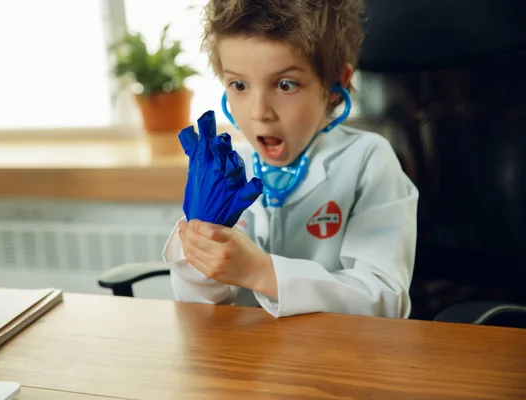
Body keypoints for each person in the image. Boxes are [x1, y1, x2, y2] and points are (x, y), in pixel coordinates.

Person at [162, 0, 419, 318]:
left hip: (341, 358)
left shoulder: (368, 161)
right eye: (239, 85)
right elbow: (198, 310)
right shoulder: (226, 172)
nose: (259, 112)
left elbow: (384, 302)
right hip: (248, 358)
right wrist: (200, 247)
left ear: (335, 86)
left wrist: (261, 272)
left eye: (285, 85)